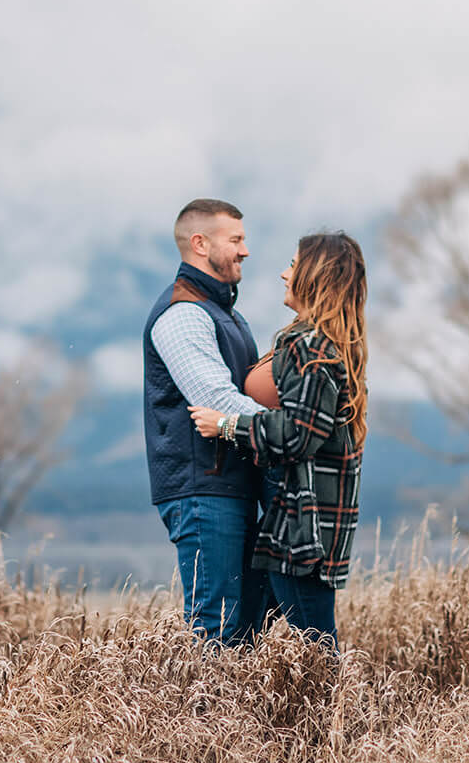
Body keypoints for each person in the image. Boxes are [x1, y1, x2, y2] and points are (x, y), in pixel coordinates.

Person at [190, 230, 367, 651]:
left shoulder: (309, 346)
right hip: (294, 516)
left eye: (293, 265)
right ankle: (237, 713)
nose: (283, 274)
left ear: (314, 276)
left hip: (300, 523)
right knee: (245, 636)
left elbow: (298, 437)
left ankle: (335, 717)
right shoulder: (325, 343)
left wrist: (227, 425)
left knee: (316, 647)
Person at [143, 198, 271, 644]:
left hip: (230, 485)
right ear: (200, 244)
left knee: (251, 629)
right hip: (203, 487)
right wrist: (296, 429)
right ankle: (200, 715)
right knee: (215, 626)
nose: (245, 250)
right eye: (235, 239)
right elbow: (216, 399)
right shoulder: (183, 314)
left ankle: (240, 716)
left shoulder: (225, 314)